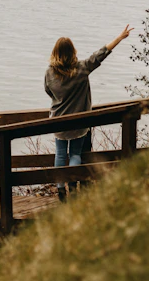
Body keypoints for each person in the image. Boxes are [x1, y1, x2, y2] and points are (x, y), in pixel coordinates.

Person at [44, 25, 134, 202]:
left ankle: (61, 189)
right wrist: (119, 37)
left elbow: (48, 92)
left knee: (60, 154)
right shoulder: (82, 69)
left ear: (55, 53)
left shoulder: (49, 72)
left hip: (58, 121)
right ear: (72, 52)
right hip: (79, 122)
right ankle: (73, 184)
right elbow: (101, 54)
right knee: (75, 155)